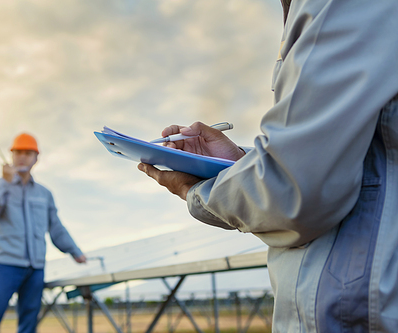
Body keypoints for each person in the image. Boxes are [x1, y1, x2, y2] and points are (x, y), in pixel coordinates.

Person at [138, 0, 398, 332]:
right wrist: (239, 164)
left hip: (354, 312)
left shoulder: (336, 6)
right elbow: (349, 154)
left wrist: (195, 189)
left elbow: (294, 192)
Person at [0, 133, 86, 333]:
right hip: (5, 265)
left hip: (35, 269)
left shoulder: (44, 193)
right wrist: (5, 183)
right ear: (11, 155)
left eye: (28, 153)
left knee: (29, 325)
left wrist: (74, 251)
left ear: (36, 158)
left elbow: (56, 227)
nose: (23, 157)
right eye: (18, 153)